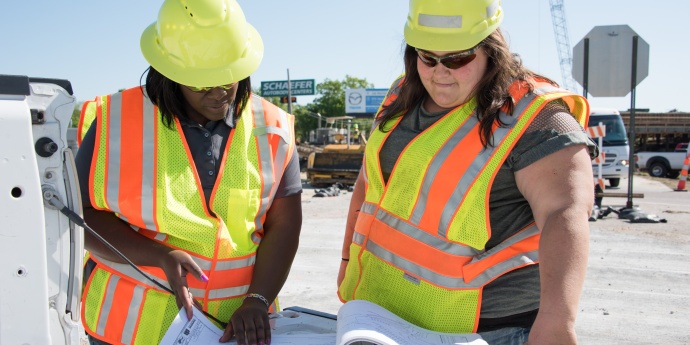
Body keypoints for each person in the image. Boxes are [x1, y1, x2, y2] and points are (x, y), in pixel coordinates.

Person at [337, 1, 597, 344]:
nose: (439, 72)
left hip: (485, 329)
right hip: (386, 312)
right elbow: (370, 184)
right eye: (427, 57)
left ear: (492, 48)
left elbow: (565, 214)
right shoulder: (402, 94)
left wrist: (557, 321)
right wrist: (347, 261)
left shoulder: (535, 118)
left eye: (457, 59)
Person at [75, 1, 302, 344]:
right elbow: (79, 216)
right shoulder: (115, 121)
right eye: (201, 84)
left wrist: (258, 300)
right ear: (169, 74)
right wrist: (156, 255)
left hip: (236, 324)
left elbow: (285, 224)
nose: (219, 93)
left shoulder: (272, 126)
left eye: (228, 79)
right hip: (131, 328)